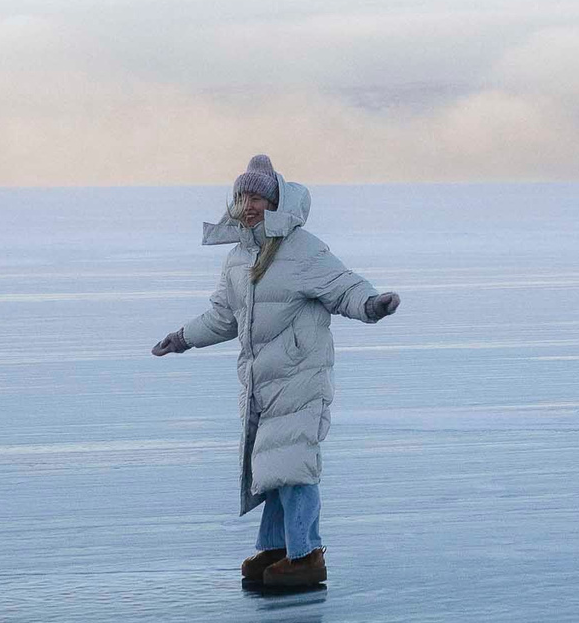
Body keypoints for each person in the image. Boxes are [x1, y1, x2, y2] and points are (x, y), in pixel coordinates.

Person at [151, 155, 400, 590]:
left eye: (259, 197)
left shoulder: (302, 249)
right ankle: (276, 547)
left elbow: (345, 286)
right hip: (262, 384)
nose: (249, 205)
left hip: (301, 377)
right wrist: (182, 337)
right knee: (272, 466)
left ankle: (306, 554)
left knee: (295, 464)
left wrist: (372, 305)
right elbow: (224, 317)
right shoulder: (238, 258)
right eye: (243, 196)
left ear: (276, 203)